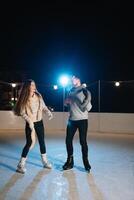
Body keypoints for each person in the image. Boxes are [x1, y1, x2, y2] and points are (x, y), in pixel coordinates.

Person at [14, 79, 53, 174]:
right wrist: (29, 122)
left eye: (34, 84)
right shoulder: (25, 98)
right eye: (32, 85)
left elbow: (43, 106)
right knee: (29, 143)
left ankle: (45, 161)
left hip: (39, 122)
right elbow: (22, 112)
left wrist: (48, 112)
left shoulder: (38, 96)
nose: (34, 86)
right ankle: (21, 164)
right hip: (30, 123)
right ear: (28, 87)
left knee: (42, 142)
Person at [62, 75, 92, 172]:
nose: (72, 80)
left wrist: (86, 101)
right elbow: (67, 104)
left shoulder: (84, 90)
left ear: (78, 79)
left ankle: (86, 162)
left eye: (74, 78)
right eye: (71, 79)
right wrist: (66, 102)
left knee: (82, 142)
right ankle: (70, 161)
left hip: (82, 120)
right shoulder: (70, 91)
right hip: (71, 120)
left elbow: (89, 108)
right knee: (68, 140)